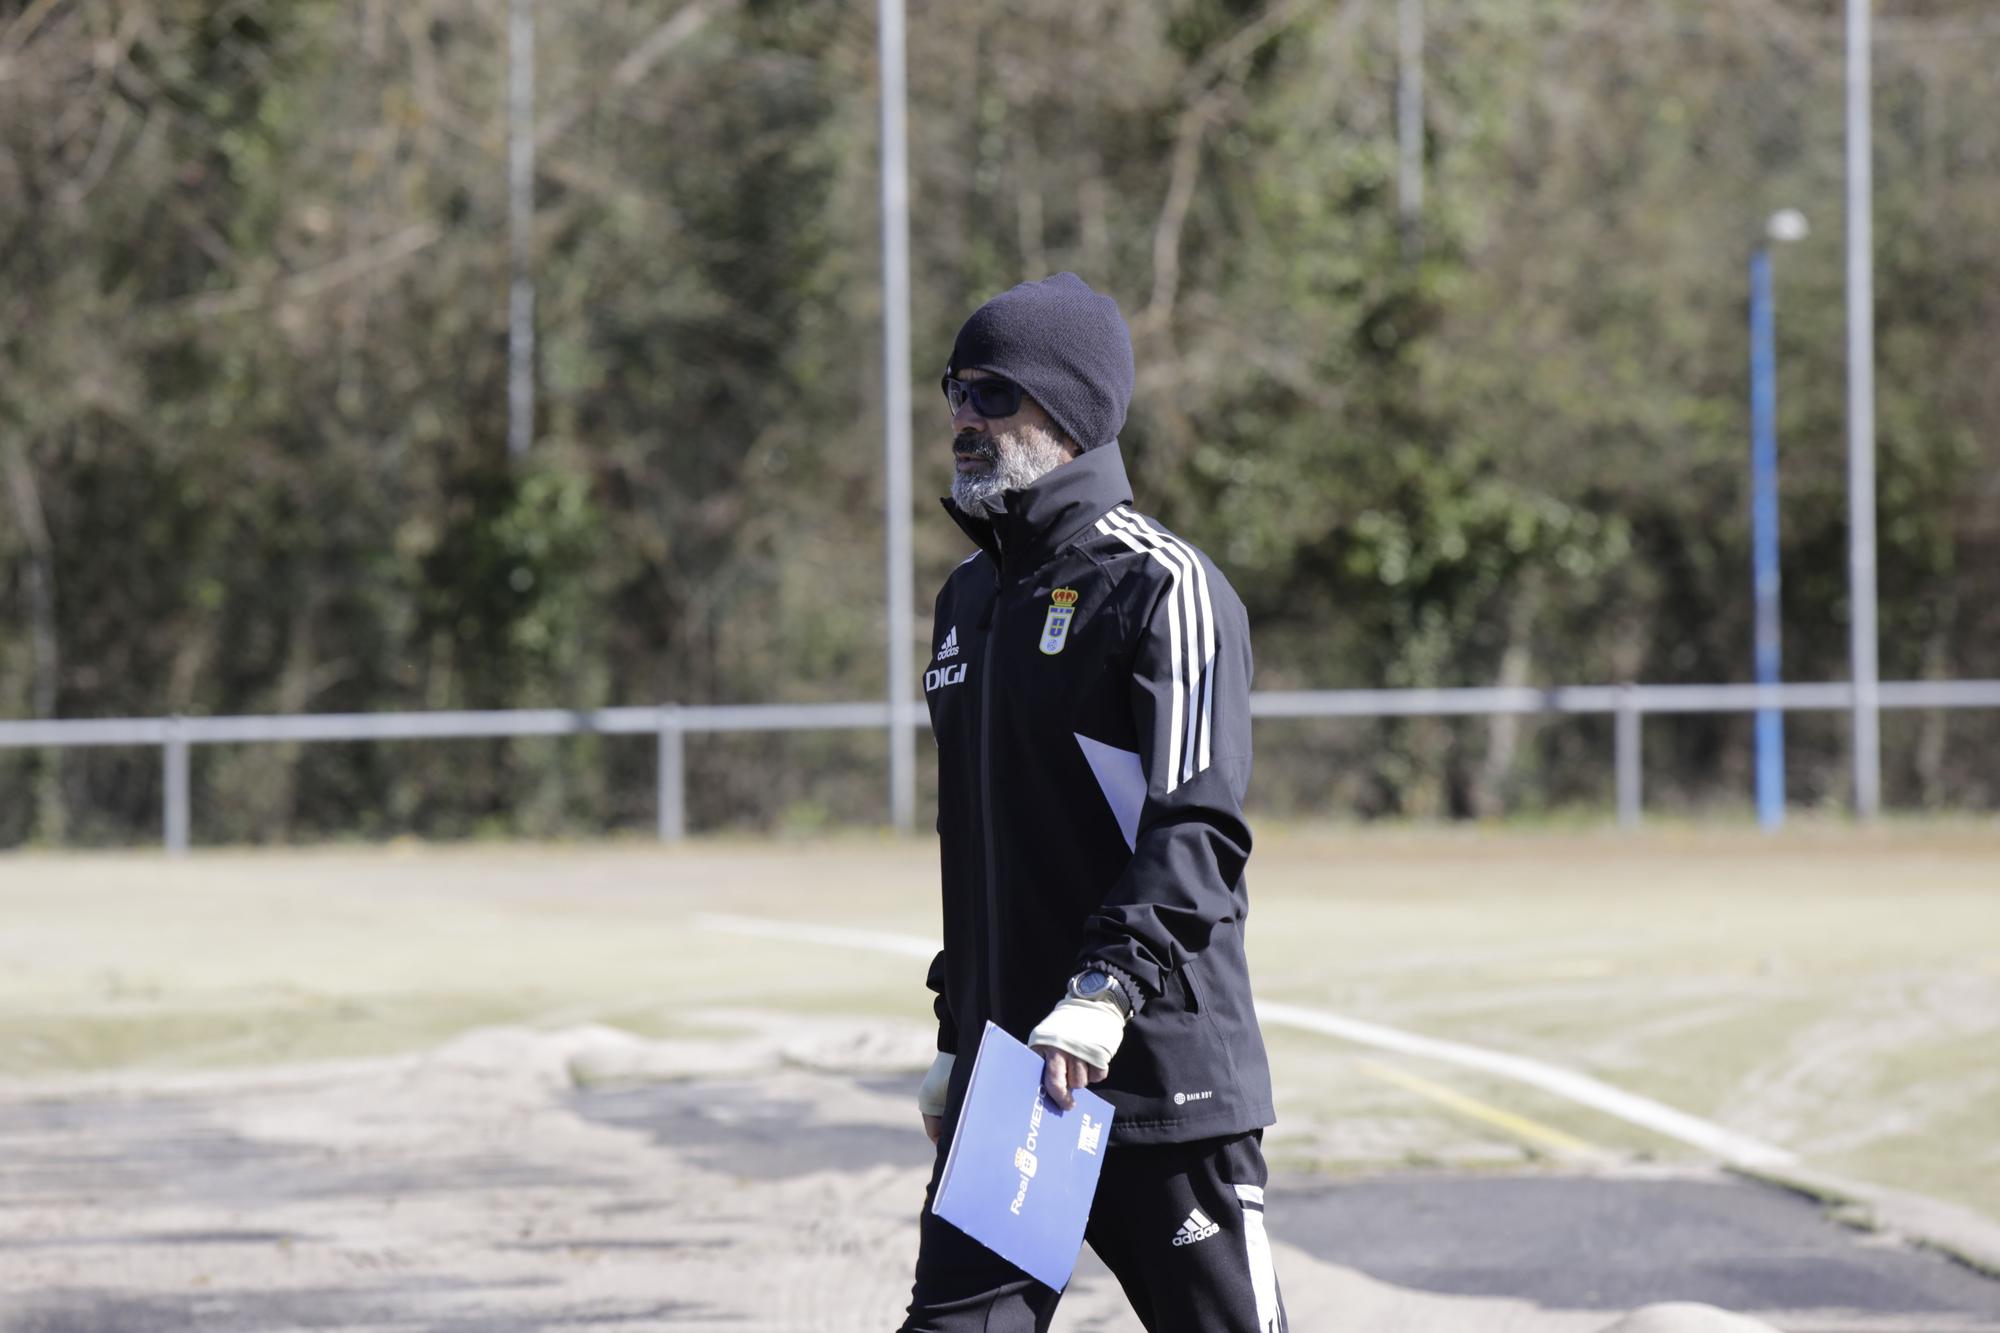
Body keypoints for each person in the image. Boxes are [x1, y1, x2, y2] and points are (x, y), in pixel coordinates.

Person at [903, 273, 1286, 1333]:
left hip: (1158, 1078)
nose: (960, 418)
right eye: (954, 389)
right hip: (1017, 1089)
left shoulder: (1163, 585)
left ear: (1066, 410)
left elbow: (1197, 828)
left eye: (991, 393)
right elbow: (975, 846)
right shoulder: (968, 601)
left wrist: (1104, 991)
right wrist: (956, 1031)